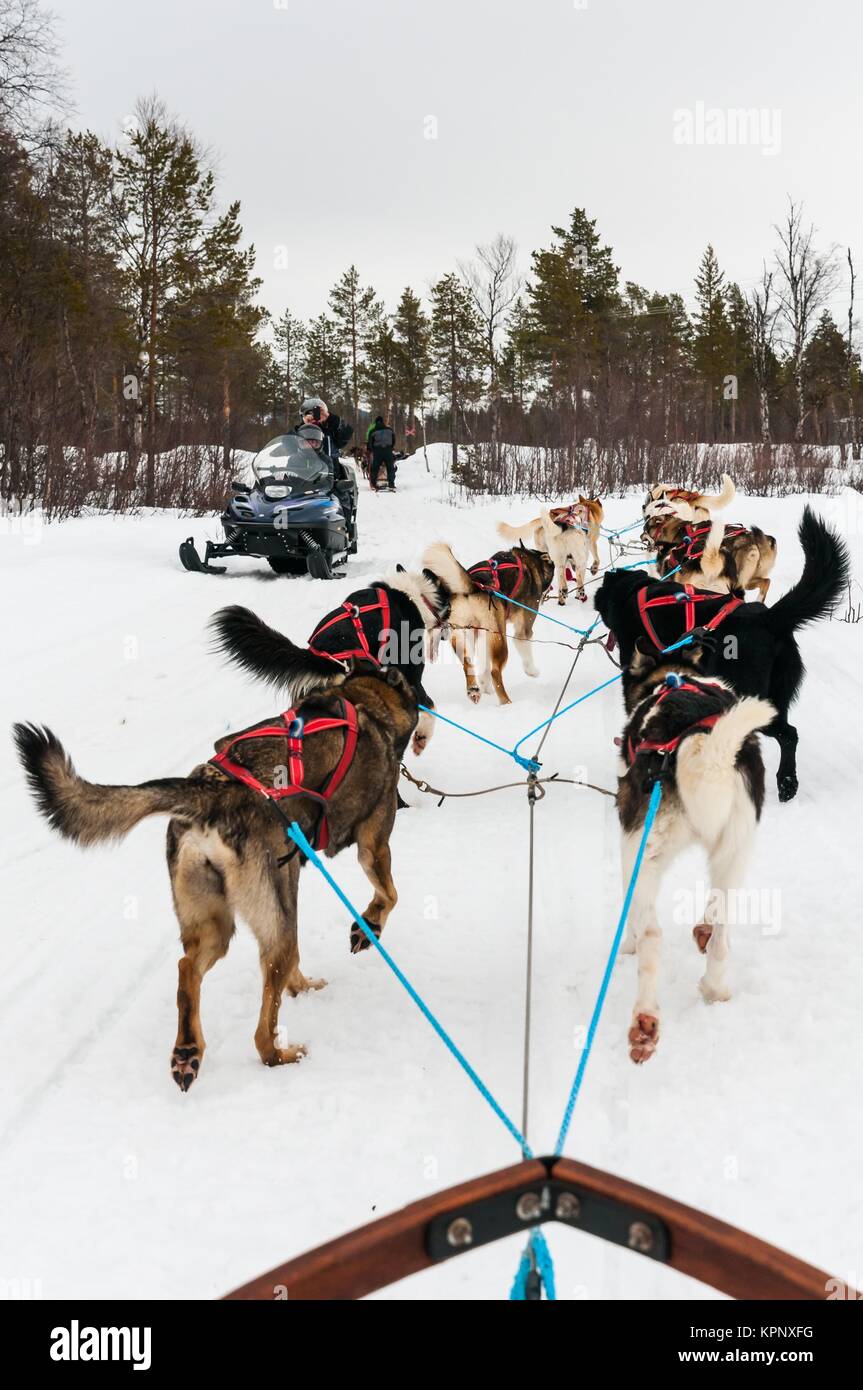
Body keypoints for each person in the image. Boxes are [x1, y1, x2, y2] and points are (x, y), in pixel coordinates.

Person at [367, 415, 397, 491]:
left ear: (375, 422)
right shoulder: (390, 430)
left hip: (377, 451)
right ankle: (391, 484)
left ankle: (374, 484)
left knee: (375, 468)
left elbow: (370, 443)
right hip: (388, 450)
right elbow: (393, 440)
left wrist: (371, 450)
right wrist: (390, 447)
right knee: (390, 467)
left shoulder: (373, 431)